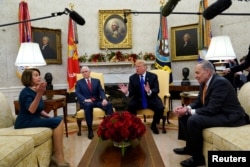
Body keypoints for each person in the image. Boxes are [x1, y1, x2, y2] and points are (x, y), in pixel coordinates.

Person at [173, 60, 249, 167]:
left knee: (193, 120)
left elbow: (212, 109)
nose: (195, 76)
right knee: (184, 115)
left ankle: (198, 159)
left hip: (231, 116)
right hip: (218, 112)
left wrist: (189, 111)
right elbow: (199, 102)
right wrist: (186, 108)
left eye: (197, 73)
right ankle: (189, 148)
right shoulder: (204, 82)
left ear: (207, 72)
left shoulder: (220, 82)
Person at [14, 68, 69, 167]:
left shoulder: (34, 90)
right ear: (28, 78)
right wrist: (39, 93)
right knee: (58, 121)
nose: (39, 77)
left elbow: (39, 109)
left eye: (39, 75)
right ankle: (58, 157)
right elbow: (31, 110)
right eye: (36, 75)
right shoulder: (26, 92)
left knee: (56, 120)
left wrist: (48, 116)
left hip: (34, 119)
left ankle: (56, 155)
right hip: (24, 122)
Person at [118, 60, 164, 134]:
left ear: (145, 67)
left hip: (151, 98)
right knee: (130, 106)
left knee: (160, 107)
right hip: (138, 99)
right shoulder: (132, 78)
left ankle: (154, 124)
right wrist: (127, 92)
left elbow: (157, 89)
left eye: (138, 67)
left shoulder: (153, 76)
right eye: (136, 67)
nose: (136, 68)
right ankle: (133, 125)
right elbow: (131, 92)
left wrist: (149, 91)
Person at [75, 66, 113, 139]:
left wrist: (104, 99)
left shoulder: (97, 81)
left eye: (86, 71)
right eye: (83, 72)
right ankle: (90, 129)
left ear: (89, 72)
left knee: (109, 104)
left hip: (97, 101)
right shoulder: (79, 83)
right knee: (88, 105)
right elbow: (78, 93)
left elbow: (101, 91)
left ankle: (109, 127)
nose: (85, 73)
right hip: (86, 102)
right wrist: (85, 100)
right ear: (81, 74)